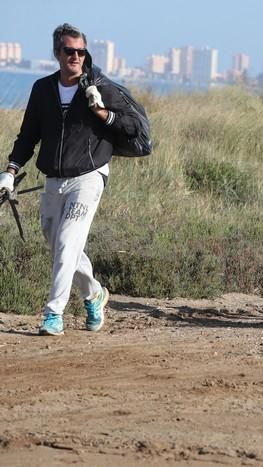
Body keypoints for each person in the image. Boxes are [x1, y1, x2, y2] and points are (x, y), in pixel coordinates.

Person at [0, 23, 142, 335]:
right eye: (69, 51)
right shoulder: (42, 89)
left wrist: (102, 112)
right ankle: (94, 294)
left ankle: (53, 315)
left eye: (81, 51)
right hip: (53, 179)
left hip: (89, 177)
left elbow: (133, 126)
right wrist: (9, 173)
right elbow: (28, 136)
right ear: (57, 53)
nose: (76, 57)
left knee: (66, 243)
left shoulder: (100, 86)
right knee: (60, 245)